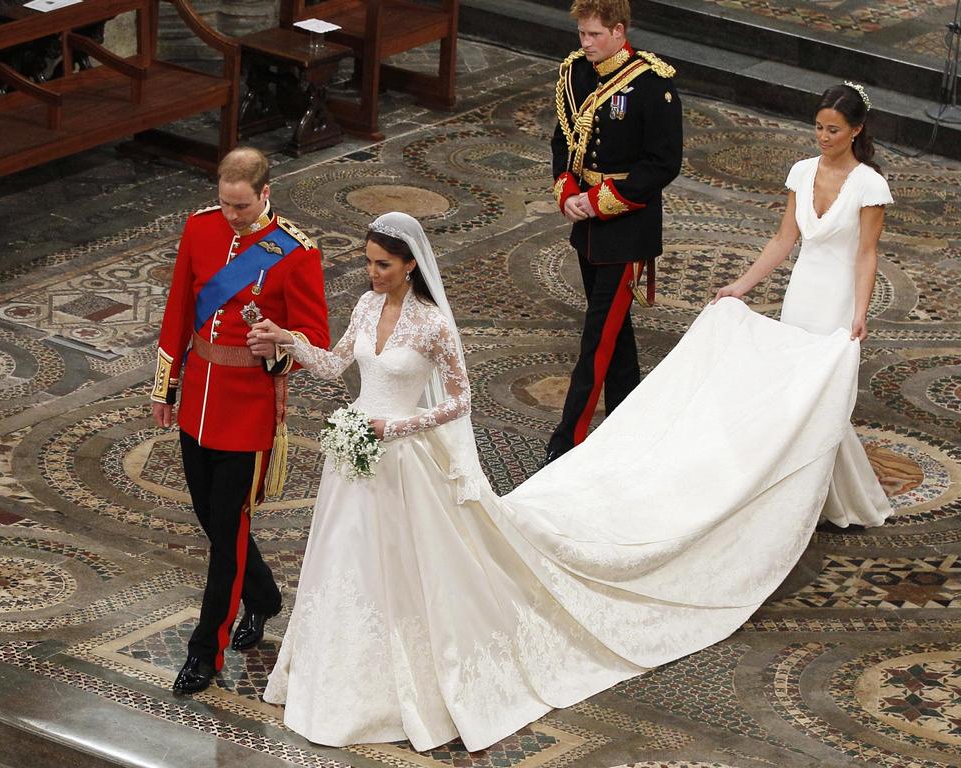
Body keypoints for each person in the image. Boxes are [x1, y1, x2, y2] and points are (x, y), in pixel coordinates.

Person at [250, 212, 861, 752]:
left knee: (410, 570)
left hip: (404, 460)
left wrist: (398, 425)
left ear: (411, 265)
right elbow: (336, 367)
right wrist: (290, 342)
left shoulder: (433, 325)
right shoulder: (362, 307)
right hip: (354, 461)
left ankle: (410, 682)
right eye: (368, 263)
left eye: (382, 265)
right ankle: (335, 677)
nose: (372, 273)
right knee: (344, 565)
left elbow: (458, 403)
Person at [151, 146, 329, 695]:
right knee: (210, 517)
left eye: (242, 206)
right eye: (224, 203)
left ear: (265, 193)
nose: (231, 215)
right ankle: (266, 596)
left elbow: (315, 342)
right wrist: (166, 386)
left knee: (227, 532)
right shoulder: (199, 229)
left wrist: (278, 345)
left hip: (249, 410)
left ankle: (206, 650)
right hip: (199, 397)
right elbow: (180, 306)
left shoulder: (295, 254)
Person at [714, 81, 893, 528]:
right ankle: (801, 497)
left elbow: (866, 252)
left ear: (856, 130)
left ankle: (812, 501)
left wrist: (860, 313)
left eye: (833, 130)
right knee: (796, 395)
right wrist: (742, 286)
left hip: (837, 299)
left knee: (820, 398)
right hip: (802, 294)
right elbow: (783, 239)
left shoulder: (870, 185)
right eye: (818, 127)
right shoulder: (801, 171)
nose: (823, 137)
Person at [545, 0, 683, 464]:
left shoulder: (652, 84)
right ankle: (630, 429)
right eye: (581, 35)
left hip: (627, 227)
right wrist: (567, 191)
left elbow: (663, 162)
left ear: (619, 31)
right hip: (586, 226)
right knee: (615, 335)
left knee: (597, 337)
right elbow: (563, 138)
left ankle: (567, 445)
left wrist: (602, 203)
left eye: (594, 36)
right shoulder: (576, 74)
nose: (585, 45)